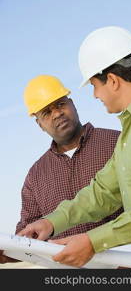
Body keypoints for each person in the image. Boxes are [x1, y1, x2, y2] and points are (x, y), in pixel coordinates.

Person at [18, 27, 131, 269]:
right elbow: (102, 193)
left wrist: (93, 241)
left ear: (114, 81)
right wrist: (51, 223)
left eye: (95, 86)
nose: (96, 95)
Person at [0, 74, 122, 264]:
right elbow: (27, 237)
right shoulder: (35, 176)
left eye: (60, 104)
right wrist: (6, 253)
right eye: (46, 113)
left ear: (72, 103)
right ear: (39, 124)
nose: (57, 113)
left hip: (128, 269)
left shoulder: (117, 143)